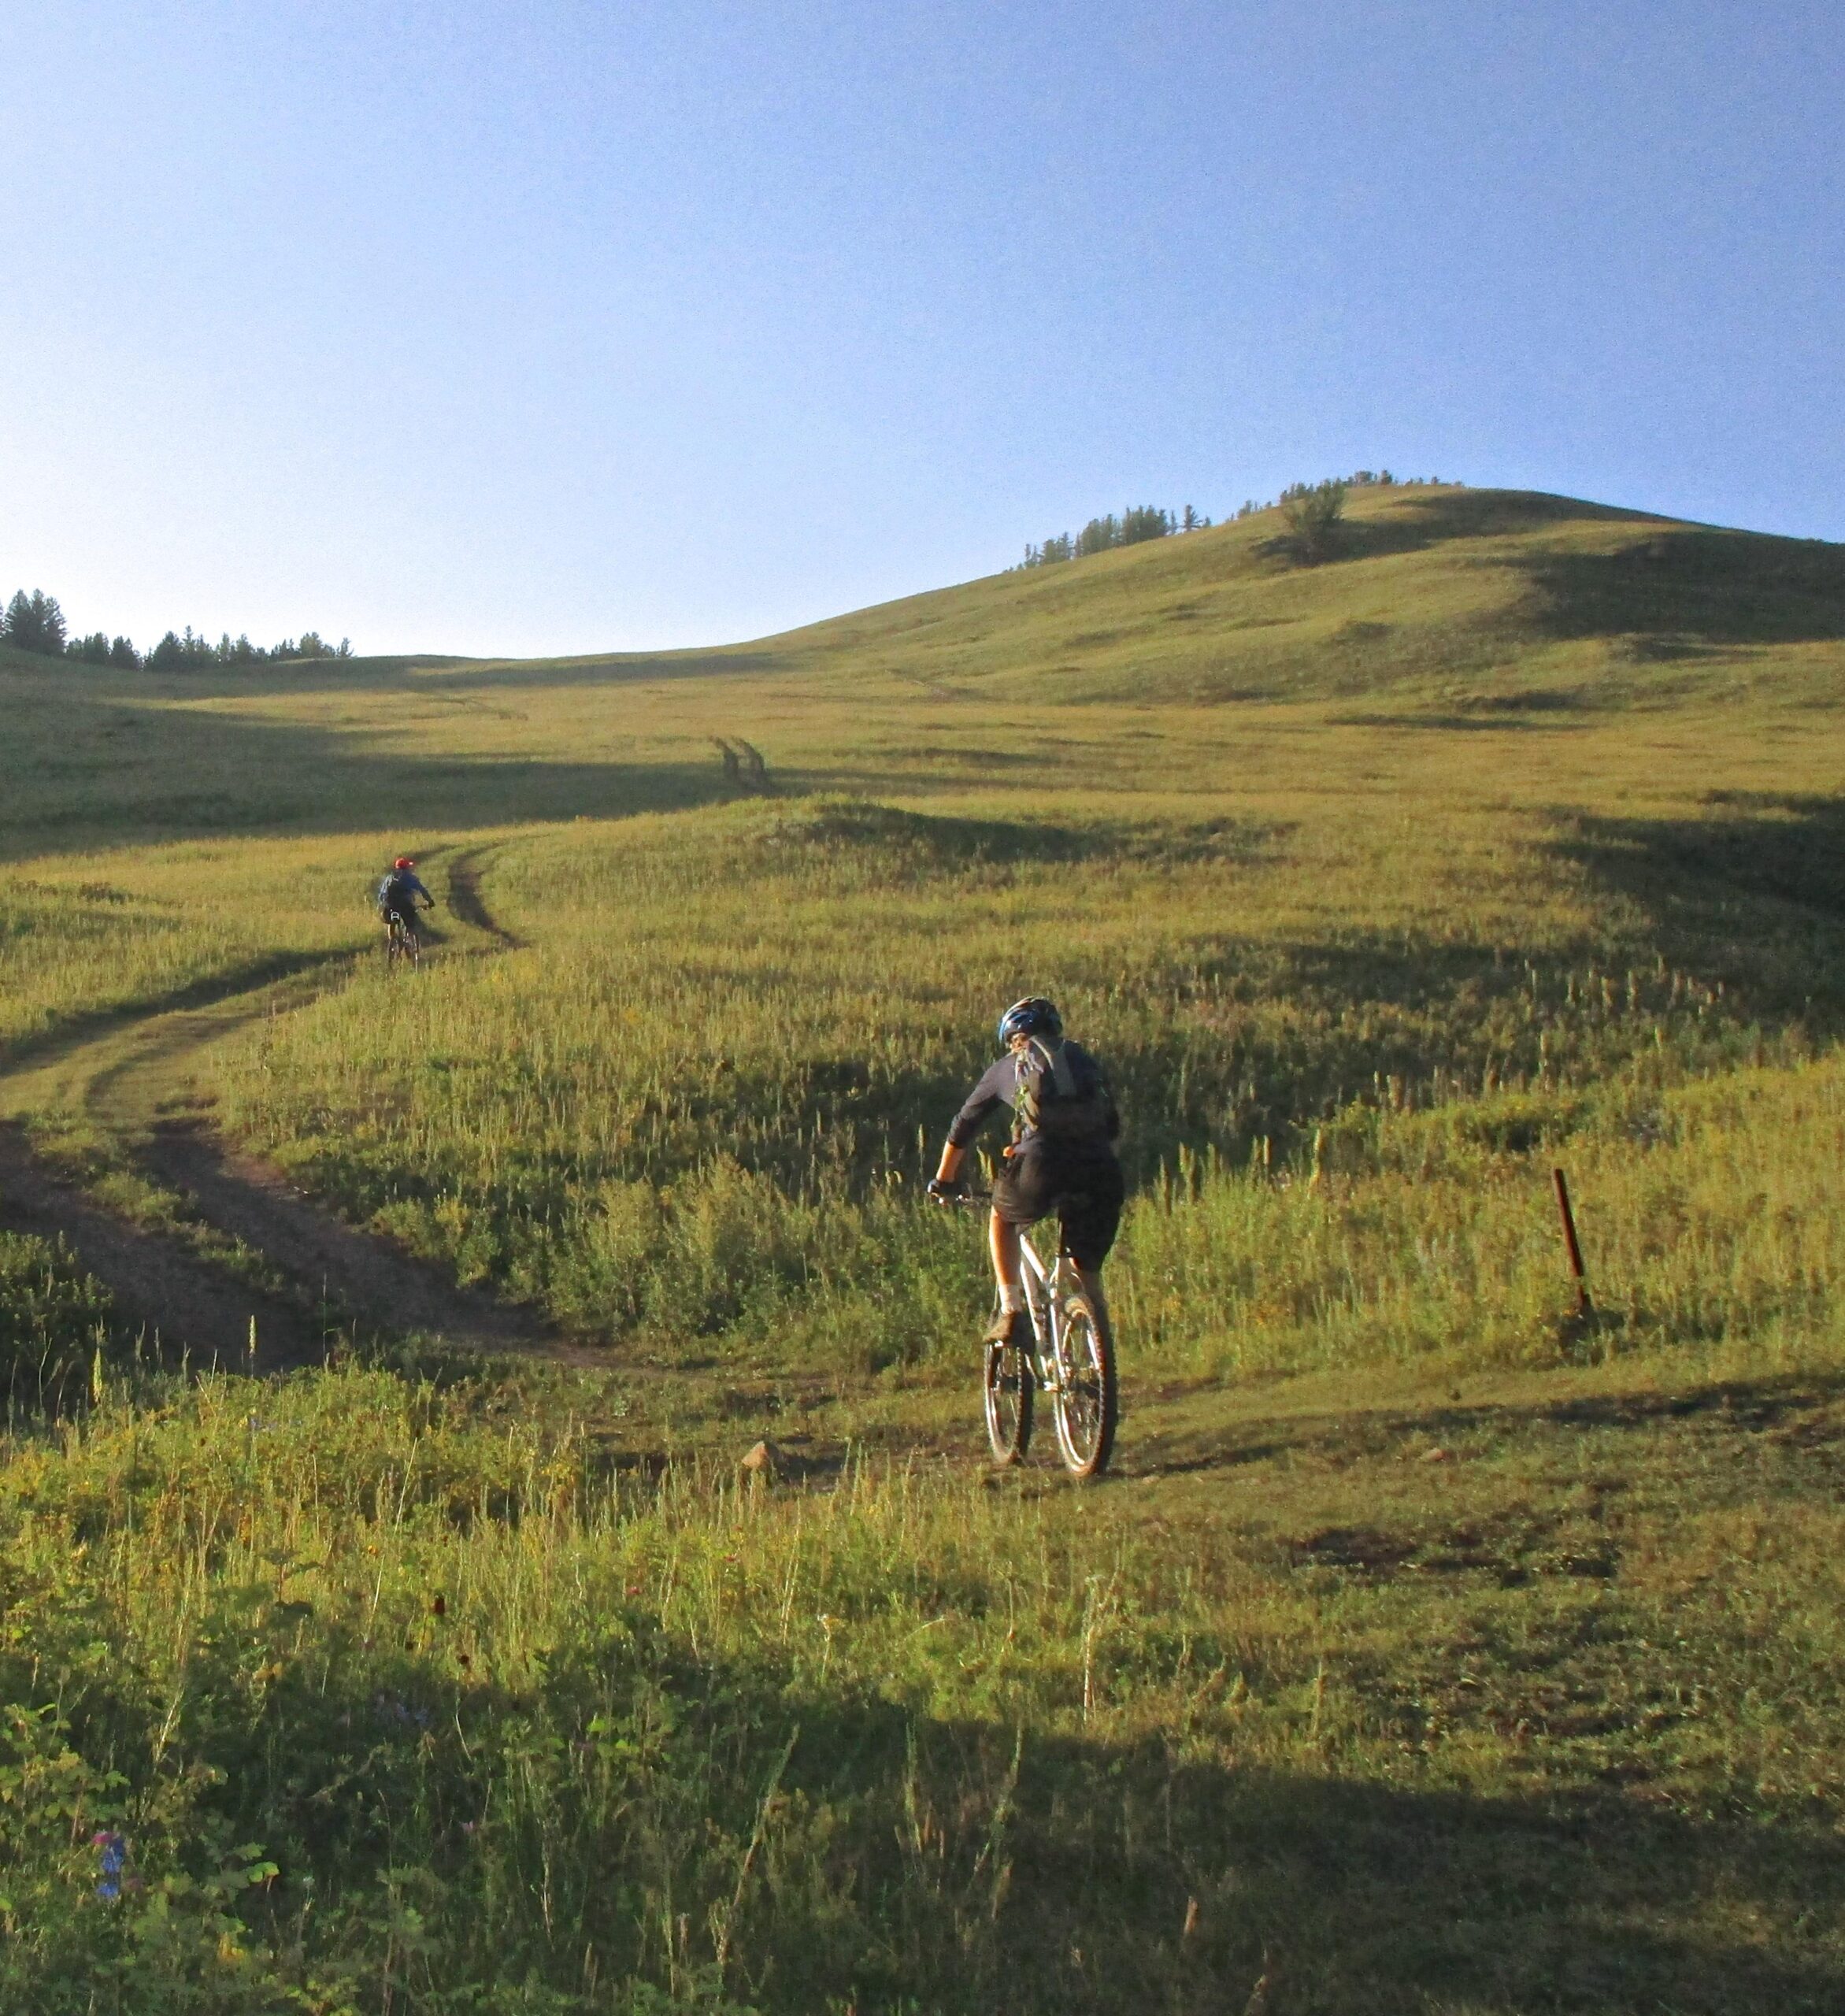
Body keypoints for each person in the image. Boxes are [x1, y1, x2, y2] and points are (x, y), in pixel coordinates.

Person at [927, 996, 1124, 1347]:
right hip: (1102, 1170)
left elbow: (963, 1126)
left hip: (1040, 1166)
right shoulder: (1085, 1062)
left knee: (1001, 1216)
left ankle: (1011, 1313)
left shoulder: (1008, 1067)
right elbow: (1112, 1125)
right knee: (1088, 1273)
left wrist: (945, 1181)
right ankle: (1098, 1347)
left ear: (1013, 1036)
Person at [376, 854, 435, 946]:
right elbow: (422, 890)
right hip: (405, 905)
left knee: (392, 923)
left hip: (390, 904)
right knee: (410, 924)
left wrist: (383, 904)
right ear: (407, 868)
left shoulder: (390, 878)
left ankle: (393, 943)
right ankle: (410, 945)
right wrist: (430, 901)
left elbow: (382, 894)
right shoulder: (411, 878)